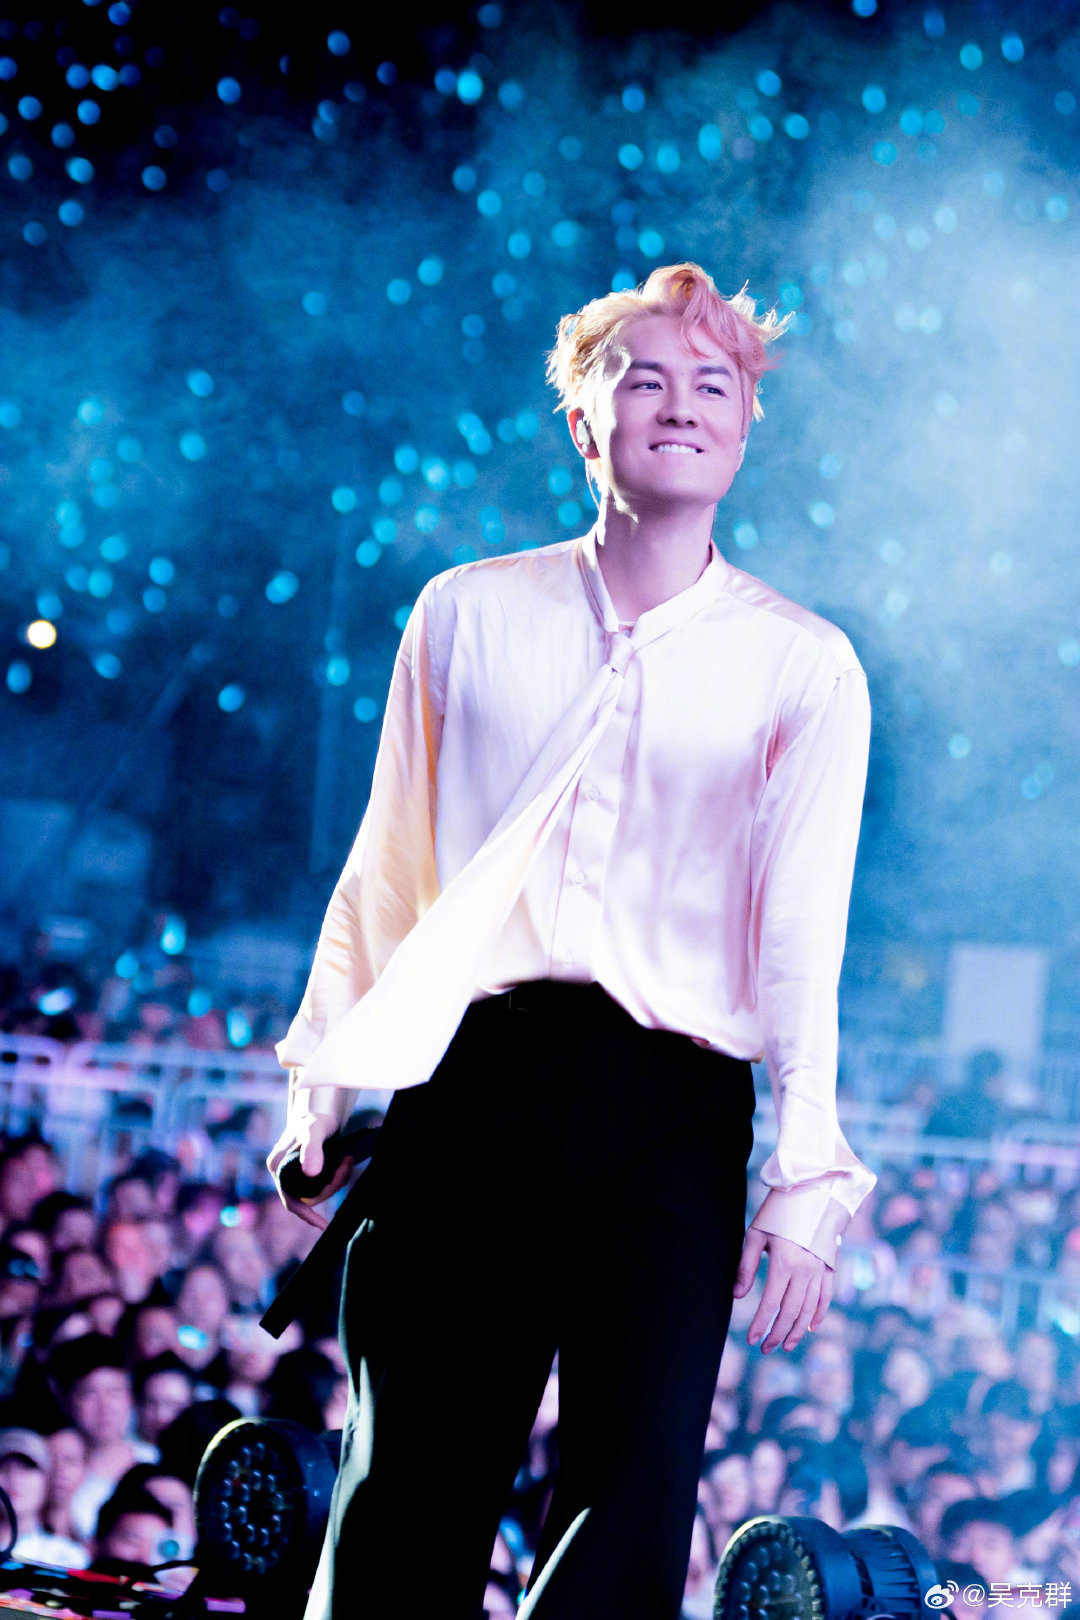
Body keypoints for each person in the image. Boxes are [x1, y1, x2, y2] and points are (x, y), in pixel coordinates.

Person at [266, 261, 877, 1619]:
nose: (681, 405)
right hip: (473, 1081)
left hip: (675, 1110)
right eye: (643, 379)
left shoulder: (803, 663)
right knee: (410, 1477)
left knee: (632, 1491)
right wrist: (325, 1087)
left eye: (713, 384)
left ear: (747, 426)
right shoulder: (466, 611)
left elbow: (803, 938)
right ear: (583, 421)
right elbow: (389, 864)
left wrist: (807, 1176)